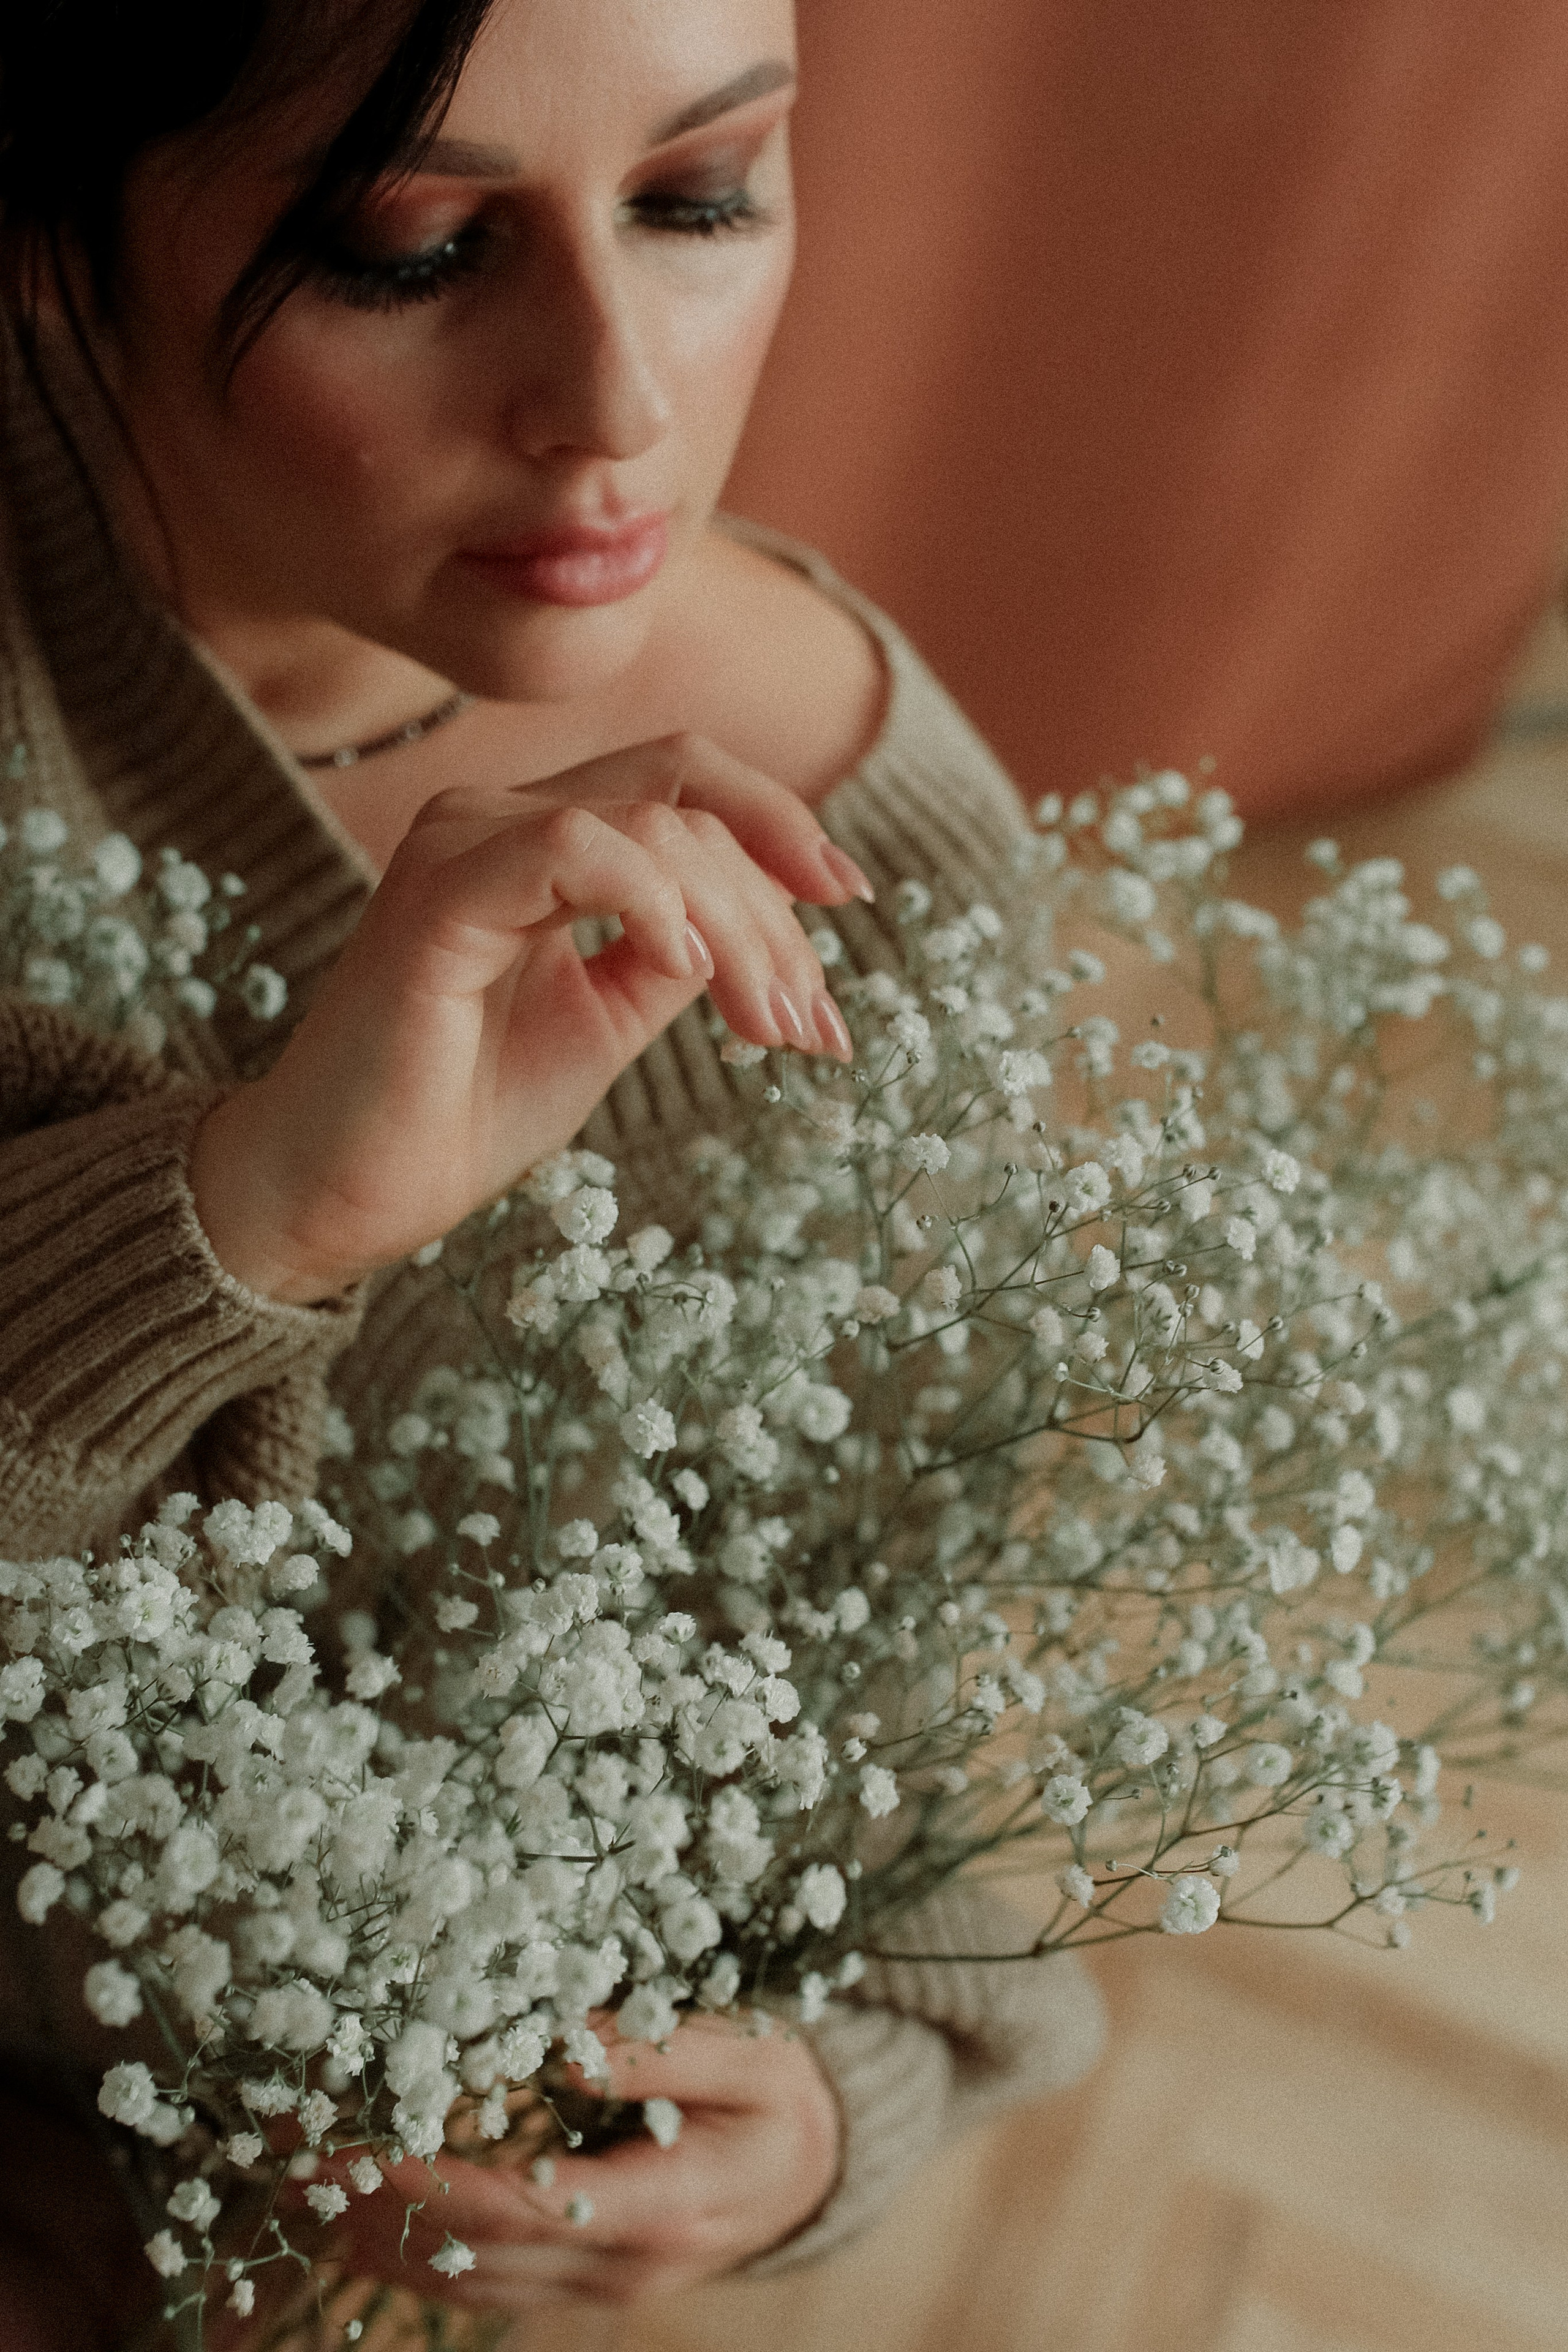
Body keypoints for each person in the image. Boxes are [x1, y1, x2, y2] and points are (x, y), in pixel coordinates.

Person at [0, 1, 1104, 2345]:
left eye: (703, 199)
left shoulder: (861, 872)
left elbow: (880, 1692)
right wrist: (250, 1206)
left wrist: (840, 2087)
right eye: (409, 252)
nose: (617, 405)